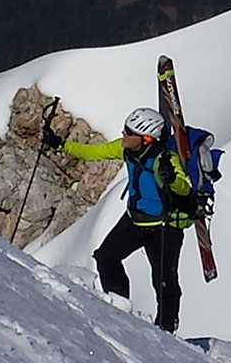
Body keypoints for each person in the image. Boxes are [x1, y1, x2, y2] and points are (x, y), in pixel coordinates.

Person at [41, 107, 192, 332]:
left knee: (164, 282)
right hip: (135, 219)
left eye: (129, 132)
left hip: (164, 226)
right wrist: (60, 144)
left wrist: (171, 179)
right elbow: (94, 152)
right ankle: (120, 308)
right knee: (105, 258)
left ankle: (166, 330)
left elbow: (184, 190)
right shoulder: (127, 149)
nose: (123, 134)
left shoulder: (165, 159)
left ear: (147, 138)